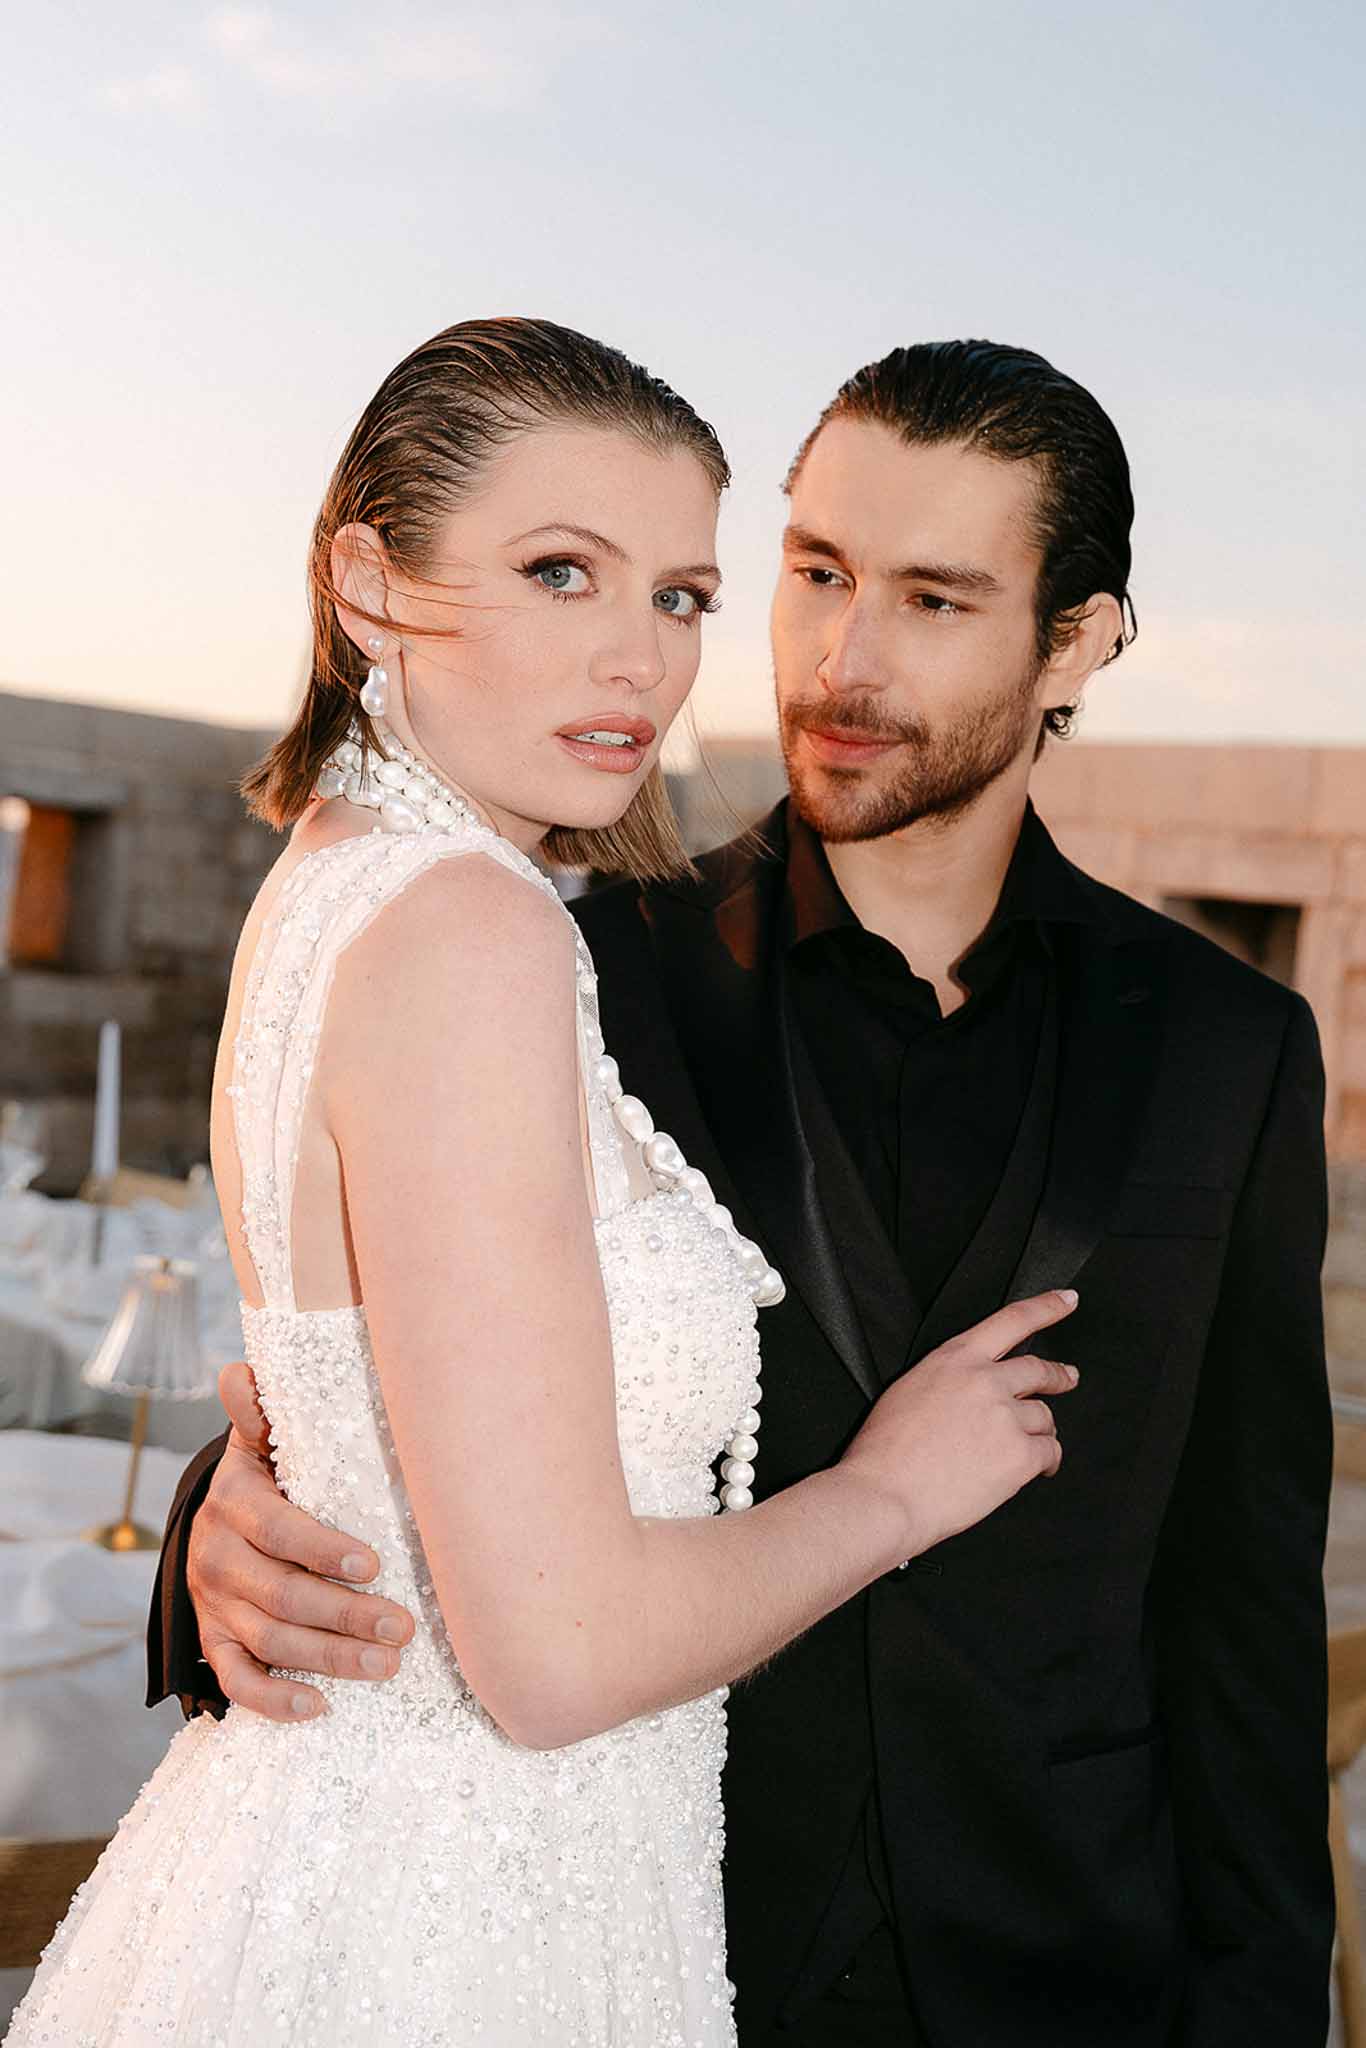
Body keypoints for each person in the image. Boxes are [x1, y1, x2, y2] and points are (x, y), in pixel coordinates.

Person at [152, 339, 1335, 2046]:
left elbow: (1242, 1601)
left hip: (1063, 1966)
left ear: (1072, 640)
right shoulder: (575, 962)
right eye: (813, 576)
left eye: (933, 599)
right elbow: (410, 1381)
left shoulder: (1231, 1048)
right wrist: (218, 1535)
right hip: (648, 1943)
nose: (841, 659)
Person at [6, 321, 1079, 2048]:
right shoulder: (476, 928)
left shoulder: (367, 886)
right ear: (369, 584)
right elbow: (552, 1638)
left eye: (676, 596)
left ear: (1072, 641)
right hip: (460, 1931)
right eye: (560, 572)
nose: (640, 661)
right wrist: (892, 1493)